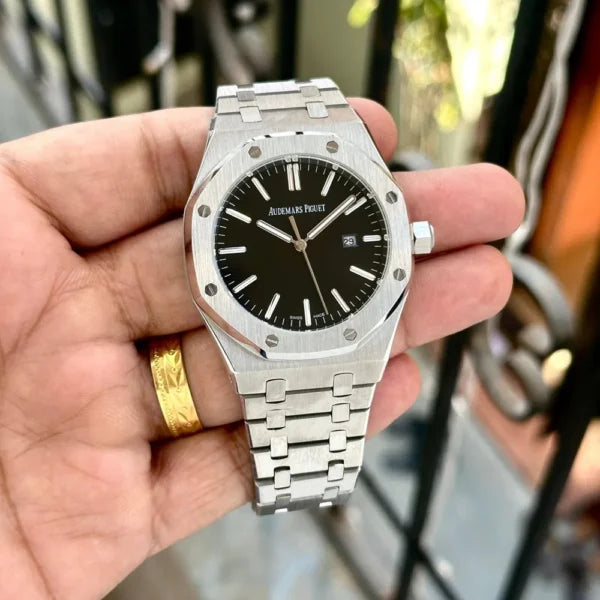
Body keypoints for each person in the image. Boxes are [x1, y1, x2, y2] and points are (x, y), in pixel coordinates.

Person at [0, 99, 524, 600]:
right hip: (263, 338)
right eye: (293, 239)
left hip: (344, 328)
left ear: (412, 238)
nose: (301, 244)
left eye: (306, 238)